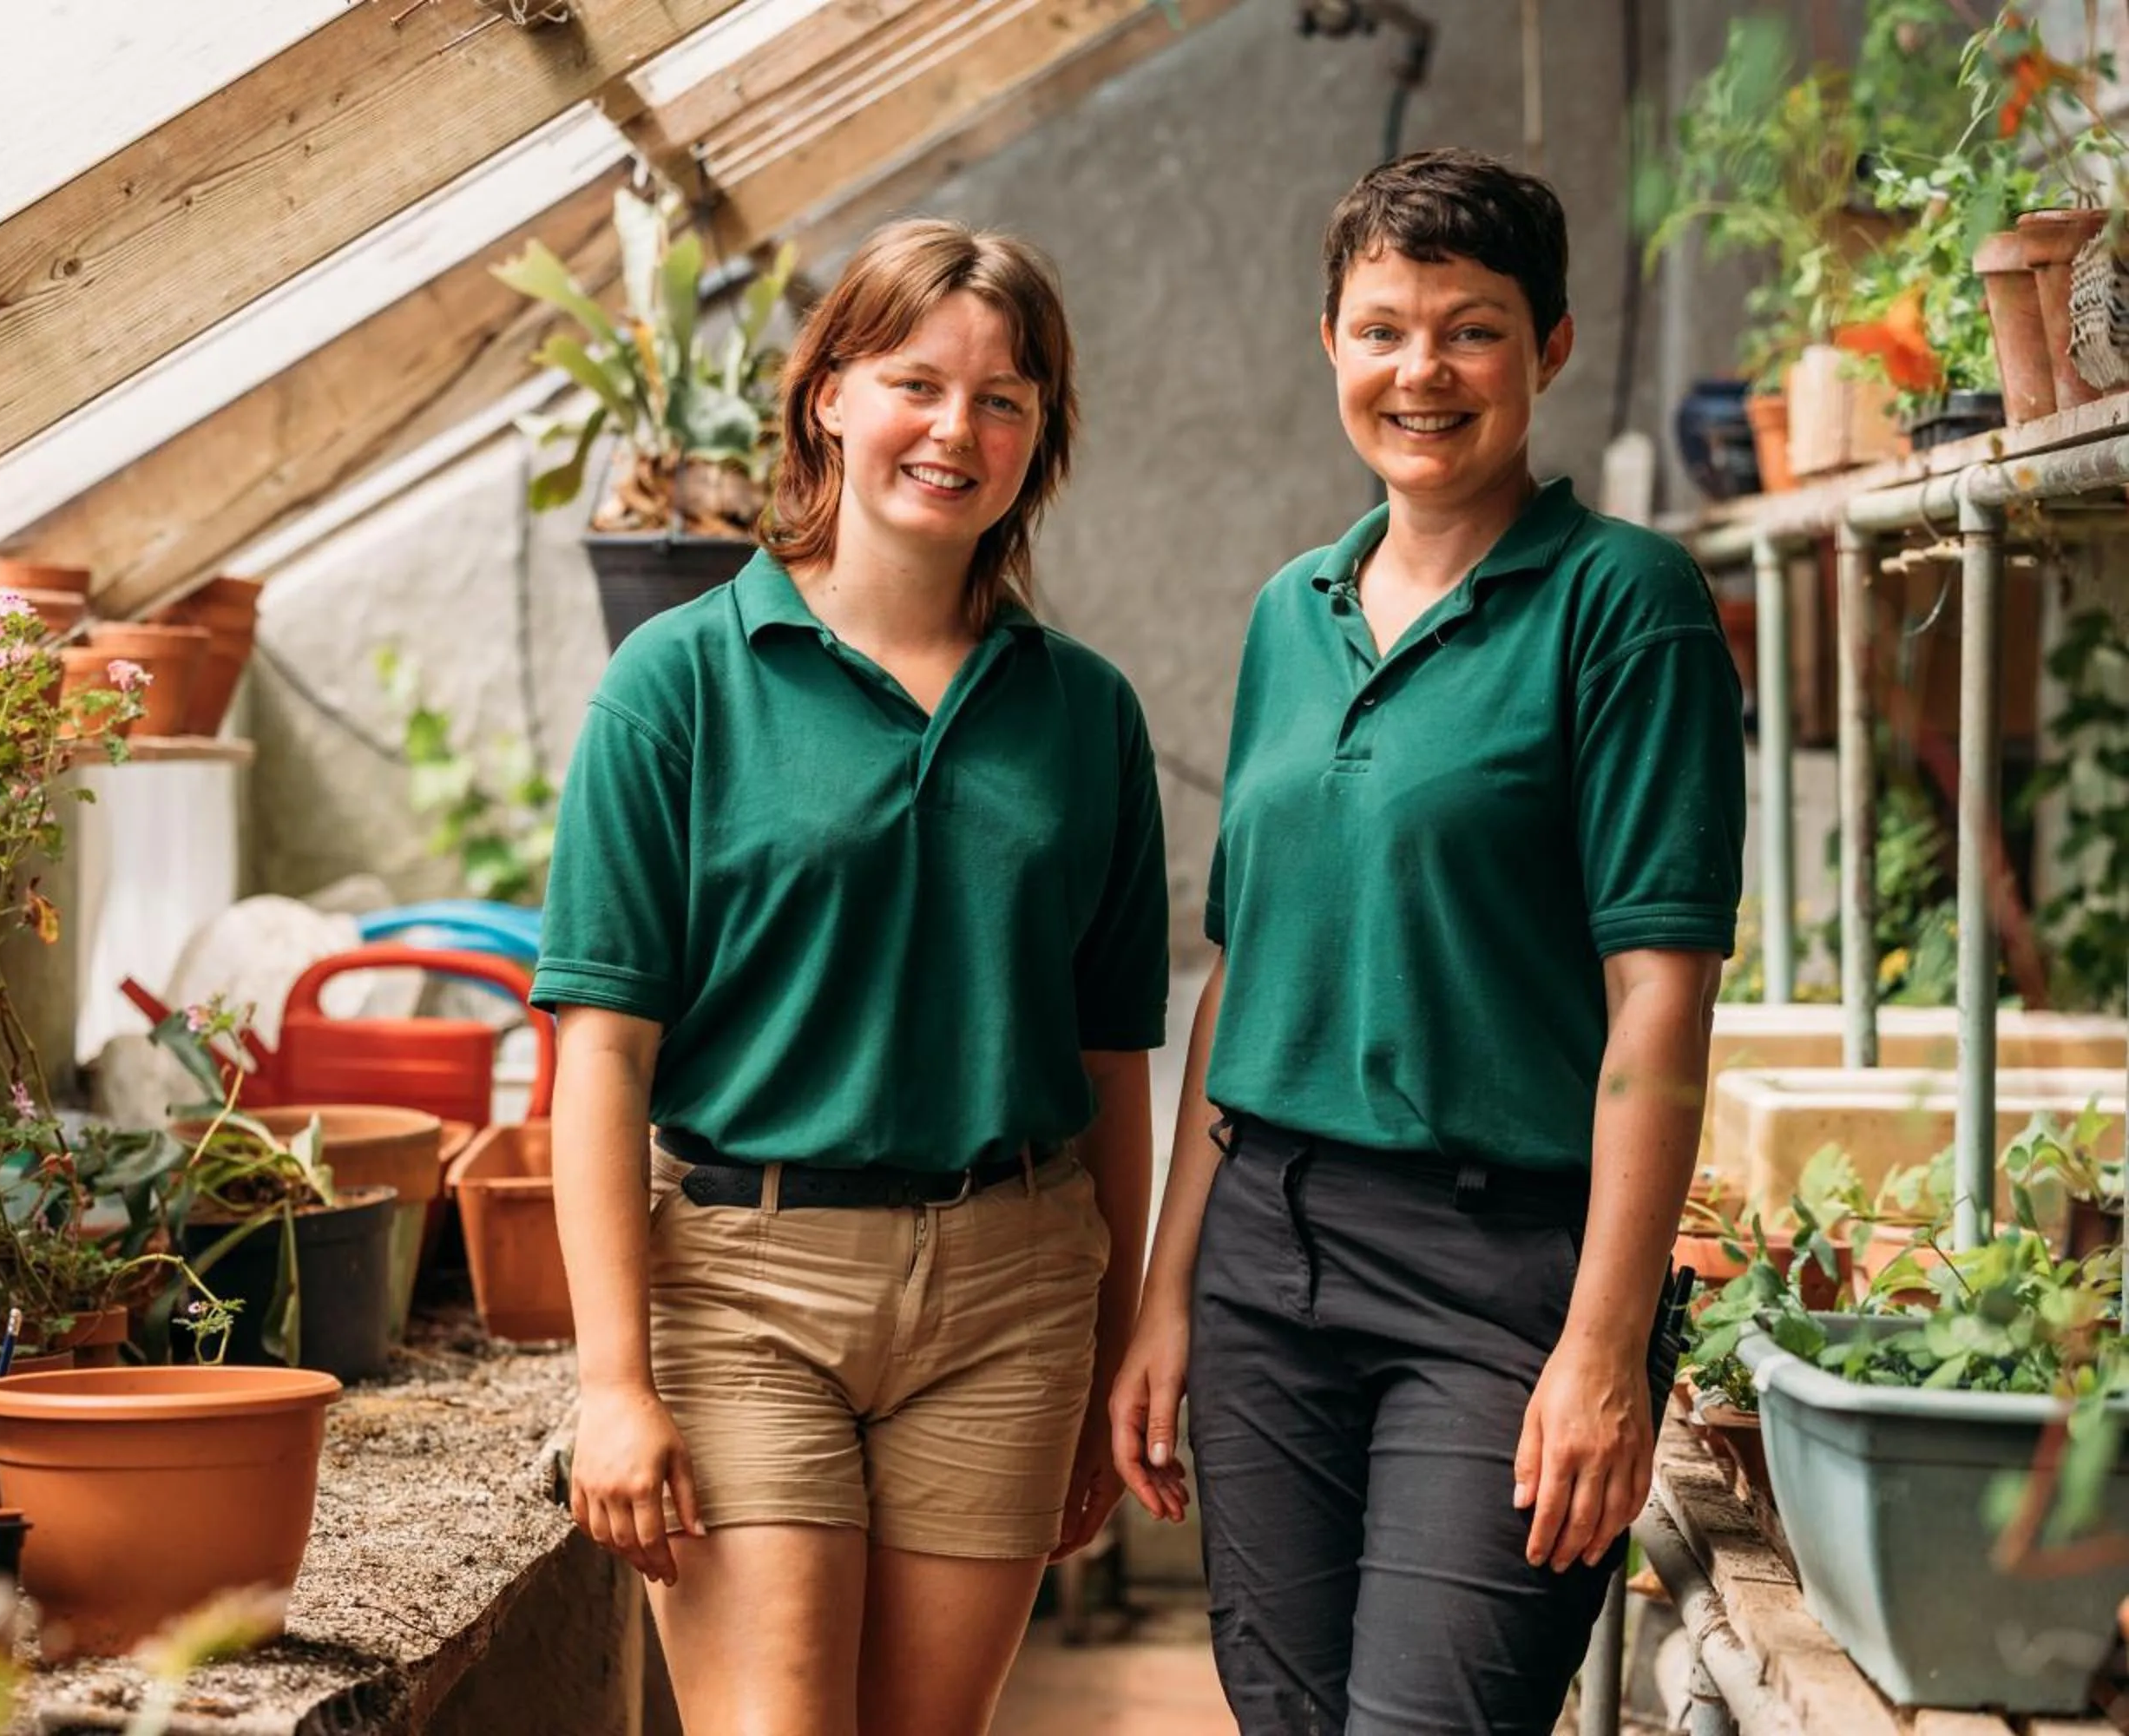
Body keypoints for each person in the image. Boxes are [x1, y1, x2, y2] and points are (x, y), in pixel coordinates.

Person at [1108, 148, 1746, 1734]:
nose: (1423, 371)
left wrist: (1604, 1346)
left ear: (1552, 349)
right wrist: (1169, 1293)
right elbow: (1244, 974)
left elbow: (1660, 1008)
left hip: (1502, 1273)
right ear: (1331, 341)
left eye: (1470, 329)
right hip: (1270, 1259)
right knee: (1288, 1717)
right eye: (1384, 327)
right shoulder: (1288, 611)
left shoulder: (1625, 604)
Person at [535, 217, 1171, 1736]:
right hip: (748, 1287)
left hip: (1013, 1290)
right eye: (916, 382)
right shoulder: (678, 681)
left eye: (1005, 399)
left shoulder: (1085, 713)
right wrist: (613, 1384)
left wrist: (1106, 1352)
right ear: (829, 395)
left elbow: (1110, 1071)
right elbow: (602, 1059)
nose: (958, 429)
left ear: (1040, 439)